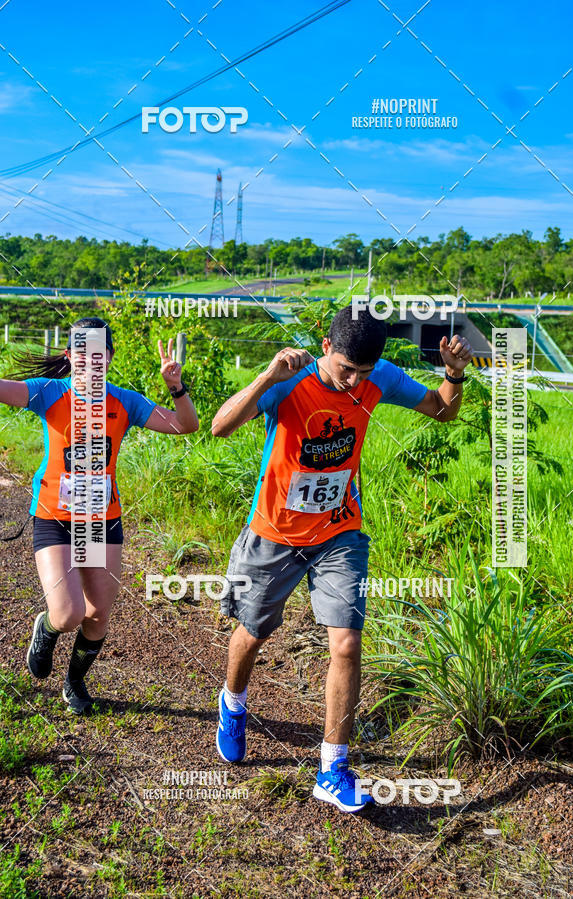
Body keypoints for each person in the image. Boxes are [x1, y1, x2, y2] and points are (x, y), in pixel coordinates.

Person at [211, 304, 472, 813]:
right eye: (345, 369)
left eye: (364, 373)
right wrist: (266, 377)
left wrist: (454, 375)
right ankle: (233, 704)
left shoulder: (380, 380)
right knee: (252, 632)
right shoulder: (288, 381)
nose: (354, 381)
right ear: (325, 347)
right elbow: (219, 428)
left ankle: (332, 768)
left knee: (347, 644)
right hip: (274, 533)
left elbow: (442, 410)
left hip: (339, 532)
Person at [0, 317, 199, 714]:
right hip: (54, 517)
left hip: (101, 520)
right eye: (81, 352)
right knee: (69, 613)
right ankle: (47, 627)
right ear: (70, 355)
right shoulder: (48, 393)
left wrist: (176, 387)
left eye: (98, 354)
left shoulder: (124, 401)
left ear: (108, 357)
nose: (90, 361)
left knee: (97, 614)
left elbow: (185, 426)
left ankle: (75, 681)